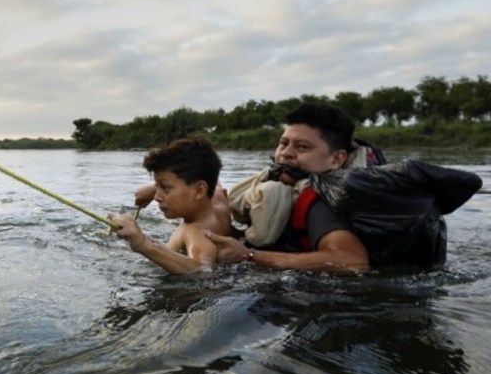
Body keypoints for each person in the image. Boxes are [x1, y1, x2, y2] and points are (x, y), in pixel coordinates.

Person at [206, 103, 372, 273]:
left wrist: (249, 256)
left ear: (336, 159)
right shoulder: (285, 191)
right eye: (283, 143)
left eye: (302, 147)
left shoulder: (322, 202)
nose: (286, 153)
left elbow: (353, 261)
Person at [108, 135, 231, 275]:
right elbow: (212, 180)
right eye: (157, 186)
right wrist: (156, 187)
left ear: (199, 190)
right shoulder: (219, 199)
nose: (156, 197)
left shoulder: (196, 232)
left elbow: (202, 270)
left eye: (165, 187)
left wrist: (144, 244)